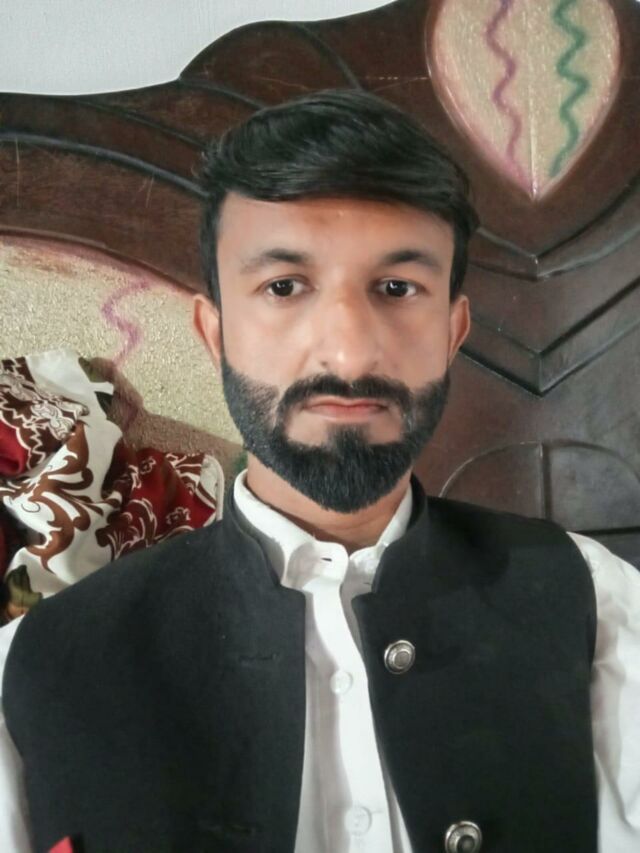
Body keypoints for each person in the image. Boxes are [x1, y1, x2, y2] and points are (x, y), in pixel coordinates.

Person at [0, 88, 639, 853]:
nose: (348, 352)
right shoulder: (34, 670)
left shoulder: (599, 606)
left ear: (452, 330)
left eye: (397, 288)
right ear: (215, 332)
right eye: (284, 287)